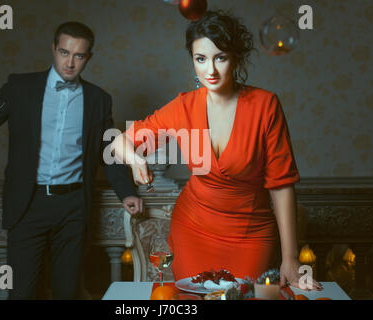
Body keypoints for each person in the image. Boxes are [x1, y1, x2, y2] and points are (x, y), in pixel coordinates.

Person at [111, 10, 322, 291]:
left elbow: (281, 185)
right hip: (193, 230)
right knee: (192, 299)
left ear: (236, 58)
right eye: (201, 59)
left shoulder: (265, 105)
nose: (210, 70)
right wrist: (136, 159)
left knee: (244, 296)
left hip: (250, 234)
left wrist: (290, 257)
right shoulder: (183, 107)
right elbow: (118, 143)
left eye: (220, 57)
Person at [0, 21, 143, 299]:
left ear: (88, 57)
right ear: (53, 50)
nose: (70, 62)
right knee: (21, 293)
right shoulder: (20, 87)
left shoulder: (98, 99)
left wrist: (126, 192)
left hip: (73, 207)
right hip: (28, 204)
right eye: (64, 52)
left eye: (78, 56)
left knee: (67, 292)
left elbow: (110, 150)